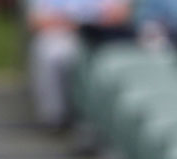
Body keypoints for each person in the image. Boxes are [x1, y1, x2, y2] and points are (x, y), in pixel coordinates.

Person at [27, 0, 133, 129]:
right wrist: (77, 24)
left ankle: (100, 123)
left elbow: (120, 15)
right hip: (62, 35)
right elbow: (37, 21)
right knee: (52, 52)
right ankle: (57, 116)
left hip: (102, 36)